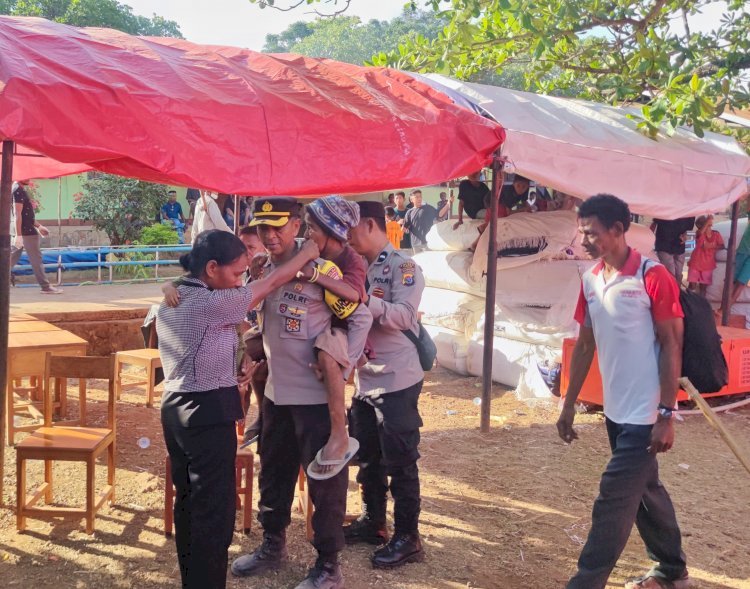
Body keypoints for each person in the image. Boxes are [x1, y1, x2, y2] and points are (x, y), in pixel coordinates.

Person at [157, 229, 319, 589]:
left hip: (177, 409)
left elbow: (207, 339)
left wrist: (240, 358)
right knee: (214, 512)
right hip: (206, 414)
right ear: (211, 268)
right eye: (234, 275)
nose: (238, 283)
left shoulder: (178, 296)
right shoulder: (211, 303)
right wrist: (307, 253)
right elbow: (275, 280)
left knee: (188, 503)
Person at [230, 197, 371, 589]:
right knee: (273, 475)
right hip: (276, 395)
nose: (269, 235)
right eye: (262, 228)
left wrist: (344, 363)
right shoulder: (263, 268)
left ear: (297, 226)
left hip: (315, 401)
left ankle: (328, 565)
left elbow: (361, 313)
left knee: (325, 485)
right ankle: (273, 545)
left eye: (277, 227)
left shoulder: (322, 270)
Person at [557, 194, 688, 589]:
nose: (584, 240)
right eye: (582, 232)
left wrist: (666, 414)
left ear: (618, 230)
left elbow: (671, 344)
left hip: (645, 414)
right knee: (647, 492)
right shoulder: (591, 280)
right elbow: (584, 346)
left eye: (592, 233)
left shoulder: (652, 276)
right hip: (616, 413)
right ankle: (672, 570)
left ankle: (585, 582)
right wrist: (567, 407)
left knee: (614, 498)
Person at [345, 200, 427, 569]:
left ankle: (408, 537)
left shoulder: (404, 267)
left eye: (351, 228)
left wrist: (367, 304)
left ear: (370, 225)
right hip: (365, 380)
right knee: (368, 457)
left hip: (396, 379)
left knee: (401, 461)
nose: (346, 236)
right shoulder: (353, 267)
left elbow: (407, 316)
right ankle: (373, 521)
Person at [297, 195, 370, 475]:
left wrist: (313, 274)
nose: (307, 234)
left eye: (312, 228)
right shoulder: (310, 251)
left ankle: (339, 433)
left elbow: (354, 294)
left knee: (329, 357)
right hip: (318, 322)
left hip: (345, 326)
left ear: (331, 231)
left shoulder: (351, 259)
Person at [10, 180, 62, 294]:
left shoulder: (18, 189)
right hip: (26, 233)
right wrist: (19, 236)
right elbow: (17, 214)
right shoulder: (17, 190)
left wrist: (39, 226)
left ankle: (45, 286)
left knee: (9, 260)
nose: (29, 178)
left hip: (25, 231)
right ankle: (45, 286)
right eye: (27, 176)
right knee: (36, 260)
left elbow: (26, 215)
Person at [651, 217, 696, 285]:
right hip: (664, 246)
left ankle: (677, 293)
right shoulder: (666, 208)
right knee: (670, 275)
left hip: (679, 246)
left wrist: (685, 235)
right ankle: (672, 293)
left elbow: (689, 230)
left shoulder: (689, 211)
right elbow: (654, 224)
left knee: (678, 275)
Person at [687, 215, 724, 297]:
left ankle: (701, 306)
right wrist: (707, 221)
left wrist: (711, 246)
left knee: (703, 288)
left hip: (708, 265)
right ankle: (689, 304)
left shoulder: (716, 234)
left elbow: (722, 246)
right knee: (692, 286)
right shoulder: (699, 234)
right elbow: (700, 233)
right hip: (695, 263)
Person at [403, 189, 437, 253]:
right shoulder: (409, 212)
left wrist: (448, 204)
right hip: (415, 244)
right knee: (417, 262)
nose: (419, 199)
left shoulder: (428, 208)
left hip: (427, 243)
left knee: (428, 261)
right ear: (411, 199)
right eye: (417, 197)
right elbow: (404, 227)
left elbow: (439, 214)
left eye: (420, 196)